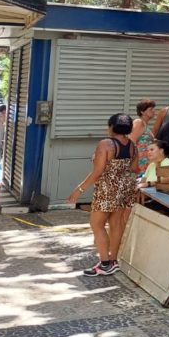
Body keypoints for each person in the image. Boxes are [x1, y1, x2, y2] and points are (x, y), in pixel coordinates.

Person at [67, 113, 136, 276]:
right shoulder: (132, 145)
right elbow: (133, 168)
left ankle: (105, 263)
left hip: (107, 188)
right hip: (124, 187)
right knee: (116, 224)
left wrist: (79, 189)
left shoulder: (106, 144)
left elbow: (97, 172)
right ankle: (113, 261)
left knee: (96, 224)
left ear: (111, 127)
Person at [131, 99, 157, 175]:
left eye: (153, 109)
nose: (153, 111)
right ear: (142, 111)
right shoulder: (139, 122)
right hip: (139, 162)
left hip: (146, 162)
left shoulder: (145, 125)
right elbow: (131, 142)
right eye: (150, 109)